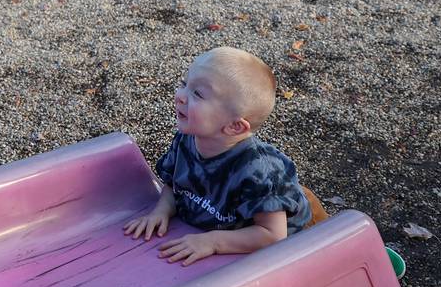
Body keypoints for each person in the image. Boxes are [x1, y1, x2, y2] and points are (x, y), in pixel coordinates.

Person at [123, 46, 313, 265]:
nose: (180, 96)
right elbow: (173, 184)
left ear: (234, 127)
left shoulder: (258, 172)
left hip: (290, 243)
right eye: (185, 84)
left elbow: (273, 235)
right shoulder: (187, 139)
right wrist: (161, 210)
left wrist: (213, 242)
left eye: (198, 93)